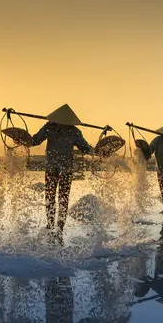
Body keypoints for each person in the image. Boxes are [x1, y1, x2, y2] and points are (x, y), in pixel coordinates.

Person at [30, 104, 94, 243]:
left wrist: (97, 151)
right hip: (51, 169)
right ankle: (50, 225)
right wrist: (23, 139)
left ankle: (60, 228)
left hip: (66, 170)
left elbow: (85, 147)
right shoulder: (49, 127)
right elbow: (35, 140)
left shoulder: (74, 132)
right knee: (50, 198)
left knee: (63, 200)